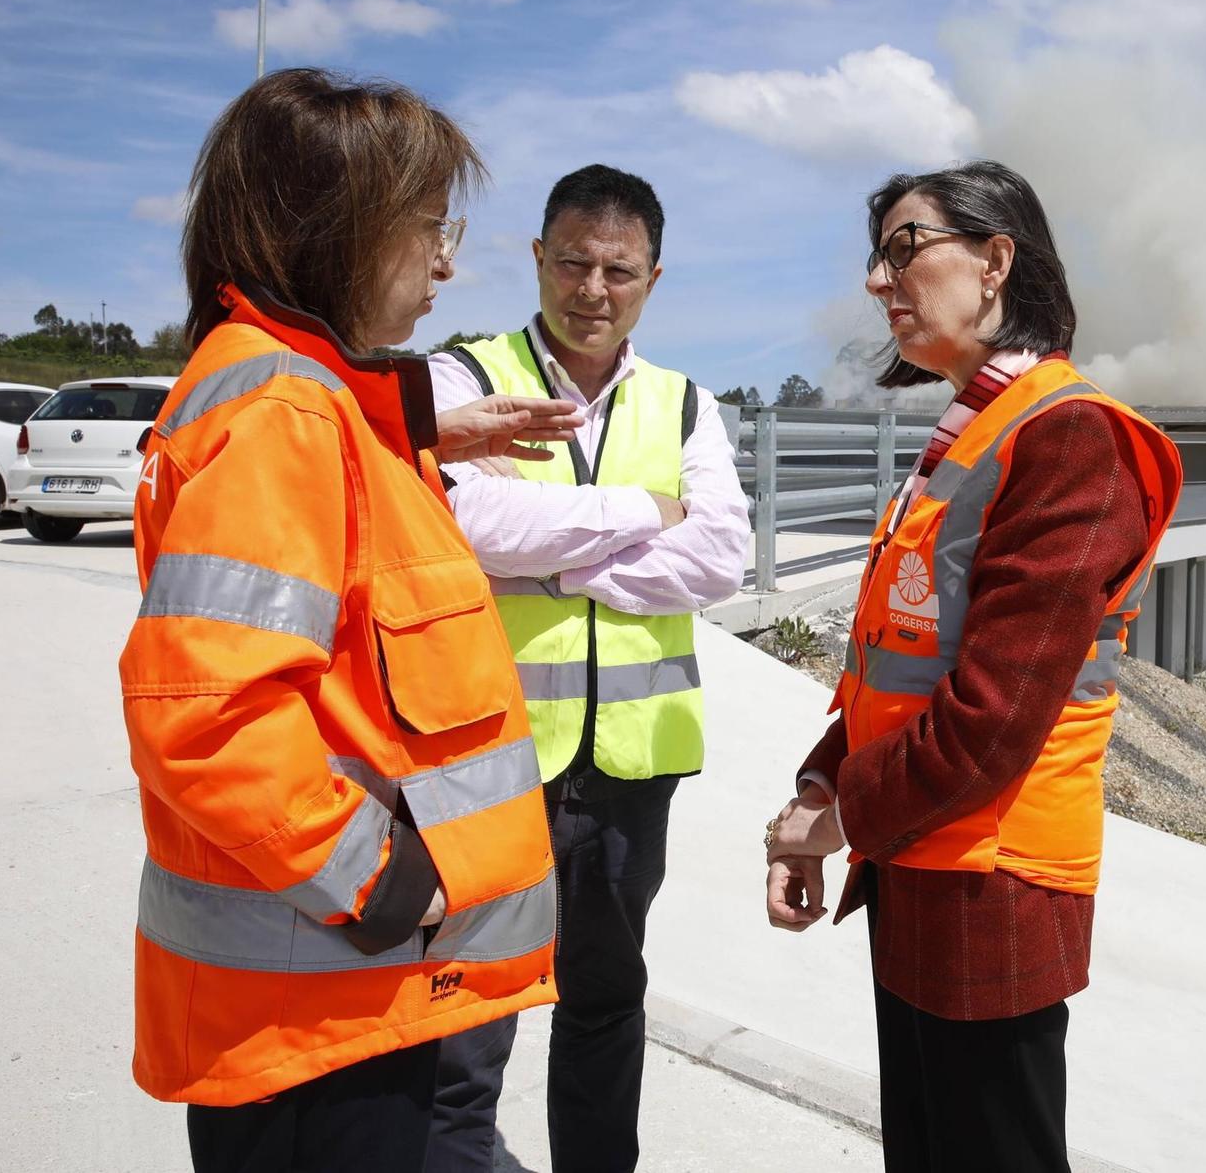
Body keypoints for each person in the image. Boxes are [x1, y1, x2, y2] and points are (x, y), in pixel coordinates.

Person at [120, 68, 588, 1173]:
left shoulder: (304, 400)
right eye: (425, 228)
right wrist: (381, 882)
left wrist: (421, 418)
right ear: (331, 232)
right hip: (330, 1012)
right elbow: (206, 715)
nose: (444, 261)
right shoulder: (279, 413)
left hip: (357, 999)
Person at [762, 161, 1182, 1172]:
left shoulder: (1066, 436)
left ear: (994, 260)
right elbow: (896, 660)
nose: (877, 279)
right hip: (920, 856)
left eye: (904, 247)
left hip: (992, 878)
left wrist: (837, 817)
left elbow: (992, 715)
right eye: (877, 256)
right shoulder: (972, 432)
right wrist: (824, 781)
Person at [423, 164, 749, 1173]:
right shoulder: (463, 379)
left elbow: (720, 557)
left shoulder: (685, 404)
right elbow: (464, 521)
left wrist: (549, 566)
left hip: (628, 769)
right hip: (489, 759)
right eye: (572, 262)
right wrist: (636, 516)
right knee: (466, 1012)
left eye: (619, 268)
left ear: (653, 276)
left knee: (605, 1000)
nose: (592, 289)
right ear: (536, 257)